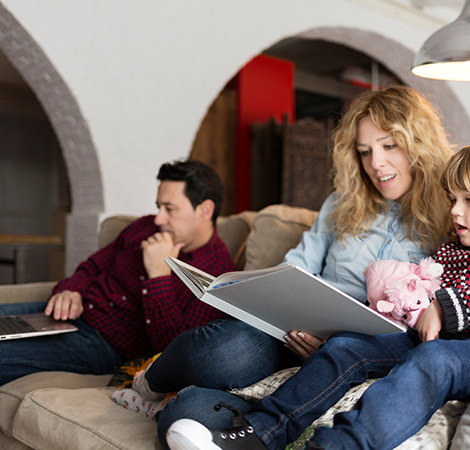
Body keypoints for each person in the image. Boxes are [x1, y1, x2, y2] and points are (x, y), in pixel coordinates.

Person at [111, 85, 454, 448]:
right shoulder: (342, 203)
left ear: (418, 142)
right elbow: (297, 267)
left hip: (352, 357)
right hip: (290, 333)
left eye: (389, 146)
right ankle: (148, 382)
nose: (375, 164)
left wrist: (335, 344)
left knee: (187, 418)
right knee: (220, 350)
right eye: (364, 151)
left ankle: (175, 405)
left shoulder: (452, 217)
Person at [166, 145, 470, 450]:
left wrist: (445, 307)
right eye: (453, 200)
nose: (456, 210)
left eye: (468, 200)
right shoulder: (454, 247)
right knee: (346, 345)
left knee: (435, 359)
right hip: (415, 335)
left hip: (449, 348)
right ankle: (262, 432)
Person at [0, 159, 236, 386]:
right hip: (70, 313)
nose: (158, 218)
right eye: (158, 206)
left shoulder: (217, 276)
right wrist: (70, 290)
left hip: (100, 344)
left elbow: (173, 352)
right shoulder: (144, 227)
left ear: (205, 210)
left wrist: (158, 276)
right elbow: (93, 266)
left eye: (169, 209)